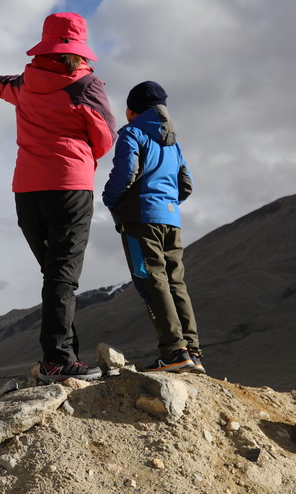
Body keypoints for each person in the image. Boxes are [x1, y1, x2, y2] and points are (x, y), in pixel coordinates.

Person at [0, 12, 116, 382]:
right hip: (69, 189)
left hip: (27, 191)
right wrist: (82, 156)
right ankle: (56, 360)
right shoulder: (87, 85)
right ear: (79, 48)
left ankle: (64, 354)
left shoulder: (25, 83)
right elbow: (106, 136)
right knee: (62, 276)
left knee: (54, 274)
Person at [101, 80, 204, 373]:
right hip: (171, 219)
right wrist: (167, 203)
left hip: (140, 219)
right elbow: (186, 184)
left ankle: (174, 352)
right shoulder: (174, 142)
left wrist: (110, 200)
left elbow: (126, 172)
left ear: (131, 110)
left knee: (152, 280)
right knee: (176, 282)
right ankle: (192, 351)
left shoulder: (132, 133)